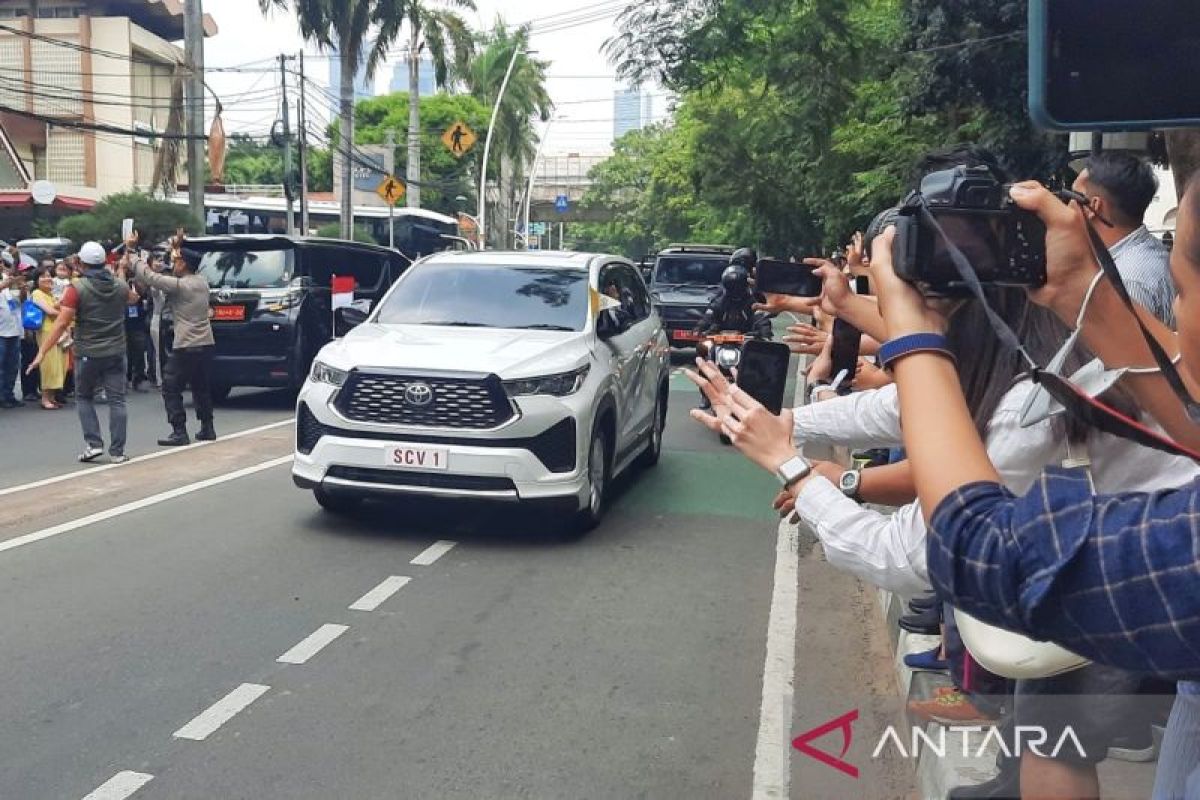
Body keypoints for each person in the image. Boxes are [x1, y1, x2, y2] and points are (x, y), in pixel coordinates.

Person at [27, 241, 136, 463]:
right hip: (116, 350)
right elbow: (132, 298)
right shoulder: (119, 286)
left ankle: (94, 444)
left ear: (80, 263)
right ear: (104, 262)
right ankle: (118, 452)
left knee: (84, 397)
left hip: (88, 351)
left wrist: (41, 353)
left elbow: (60, 323)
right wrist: (122, 270)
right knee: (118, 401)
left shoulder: (76, 289)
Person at [1073, 151, 1176, 327]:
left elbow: (1123, 354)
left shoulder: (1126, 282)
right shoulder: (1153, 254)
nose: (1067, 207)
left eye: (1071, 197)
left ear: (1093, 206)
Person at [131, 234, 217, 445]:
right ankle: (207, 427)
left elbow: (151, 277)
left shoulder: (181, 286)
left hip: (186, 343)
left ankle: (179, 430)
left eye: (176, 261)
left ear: (184, 264)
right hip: (205, 342)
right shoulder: (202, 283)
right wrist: (177, 245)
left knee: (170, 386)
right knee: (201, 386)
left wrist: (133, 255)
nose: (172, 264)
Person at [29, 269, 66, 410]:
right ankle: (45, 398)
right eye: (43, 276)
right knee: (48, 364)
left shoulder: (50, 294)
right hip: (46, 331)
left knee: (58, 364)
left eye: (49, 276)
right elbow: (50, 311)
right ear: (37, 280)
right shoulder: (37, 293)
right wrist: (64, 315)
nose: (47, 278)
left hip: (56, 330)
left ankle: (52, 397)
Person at [0, 259, 25, 408]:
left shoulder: (7, 278)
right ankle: (1, 397)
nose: (1, 265)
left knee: (13, 365)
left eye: (1, 262)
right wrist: (4, 285)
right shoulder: (6, 282)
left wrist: (22, 290)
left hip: (14, 329)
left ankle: (9, 394)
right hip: (1, 332)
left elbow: (17, 303)